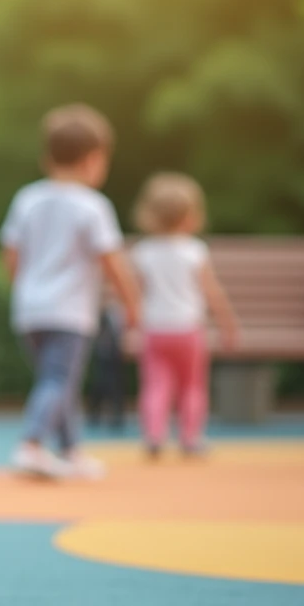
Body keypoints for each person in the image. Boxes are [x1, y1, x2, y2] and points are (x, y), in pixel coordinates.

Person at [0, 103, 141, 479]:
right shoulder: (93, 206)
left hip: (29, 309)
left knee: (57, 381)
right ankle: (31, 443)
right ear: (95, 160)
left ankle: (71, 451)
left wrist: (22, 288)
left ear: (48, 156)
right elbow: (113, 261)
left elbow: (11, 254)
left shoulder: (26, 198)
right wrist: (132, 304)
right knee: (59, 381)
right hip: (69, 311)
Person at [131, 173, 238, 458]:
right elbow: (212, 293)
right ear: (191, 216)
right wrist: (228, 325)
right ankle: (190, 439)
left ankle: (154, 436)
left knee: (156, 385)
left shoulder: (143, 252)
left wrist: (130, 321)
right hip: (188, 329)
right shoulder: (194, 251)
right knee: (192, 385)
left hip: (155, 330)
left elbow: (136, 293)